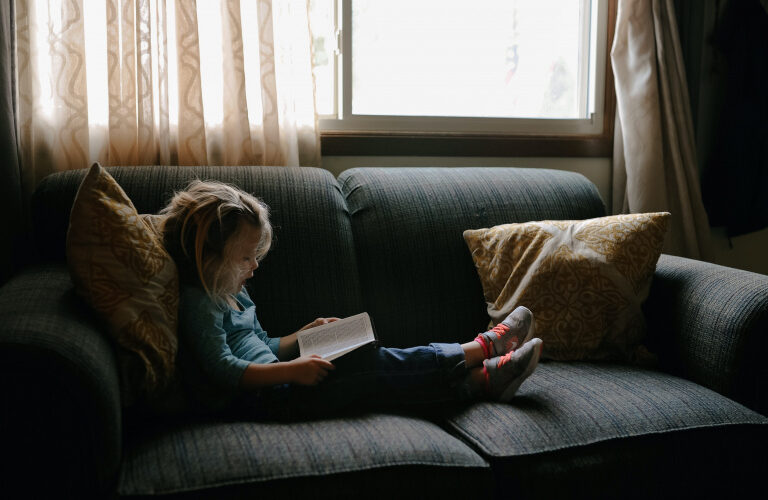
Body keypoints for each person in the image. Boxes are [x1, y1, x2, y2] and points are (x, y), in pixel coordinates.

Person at [160, 180, 543, 419]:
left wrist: (301, 336)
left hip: (280, 381)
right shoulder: (200, 303)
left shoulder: (233, 291)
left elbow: (263, 345)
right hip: (267, 399)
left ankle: (482, 379)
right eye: (245, 258)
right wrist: (292, 370)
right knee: (368, 365)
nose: (255, 266)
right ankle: (482, 349)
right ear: (208, 258)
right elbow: (225, 368)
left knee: (369, 364)